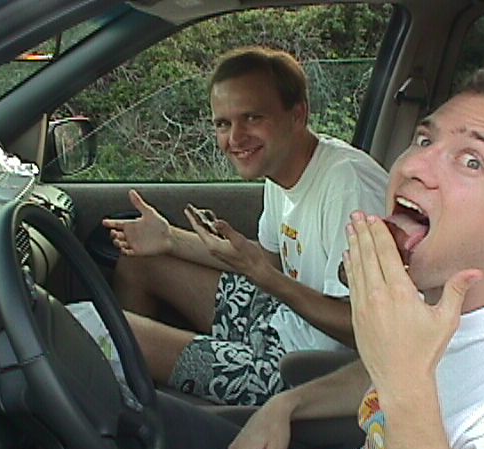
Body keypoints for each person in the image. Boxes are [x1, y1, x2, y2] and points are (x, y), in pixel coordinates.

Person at [154, 62, 484, 449]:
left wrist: (406, 385)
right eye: (423, 140)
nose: (412, 166)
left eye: (471, 161)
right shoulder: (448, 290)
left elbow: (404, 370)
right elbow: (384, 366)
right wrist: (288, 405)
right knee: (145, 423)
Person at [102, 46, 389, 405]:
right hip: (281, 319)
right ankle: (137, 400)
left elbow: (368, 331)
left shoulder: (347, 187)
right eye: (223, 124)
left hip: (307, 370)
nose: (235, 139)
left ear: (297, 114)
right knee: (140, 262)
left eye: (252, 118)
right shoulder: (282, 168)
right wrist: (170, 239)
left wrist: (264, 277)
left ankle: (137, 417)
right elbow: (268, 261)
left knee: (115, 334)